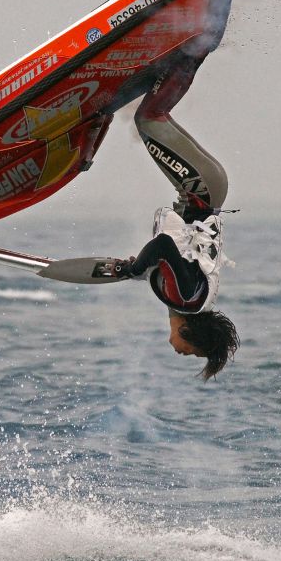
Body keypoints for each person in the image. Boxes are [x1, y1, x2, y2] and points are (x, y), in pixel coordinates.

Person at [112, 42, 239, 380]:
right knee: (149, 118)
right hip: (199, 187)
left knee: (153, 117)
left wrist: (139, 270)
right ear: (191, 335)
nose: (180, 352)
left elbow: (170, 255)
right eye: (191, 353)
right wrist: (135, 268)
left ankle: (193, 46)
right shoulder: (184, 299)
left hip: (208, 188)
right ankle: (198, 42)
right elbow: (164, 248)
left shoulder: (192, 298)